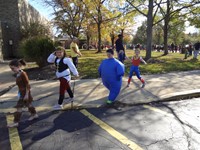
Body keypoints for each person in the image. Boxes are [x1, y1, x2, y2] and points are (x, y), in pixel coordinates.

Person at [7, 59, 38, 128]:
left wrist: (27, 95)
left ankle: (16, 122)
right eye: (11, 68)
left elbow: (27, 85)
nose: (12, 70)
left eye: (13, 68)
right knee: (29, 105)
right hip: (22, 93)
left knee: (19, 108)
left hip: (25, 94)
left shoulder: (23, 74)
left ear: (18, 66)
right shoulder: (18, 74)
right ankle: (34, 114)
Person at [47, 46, 79, 110]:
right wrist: (53, 53)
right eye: (57, 52)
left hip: (65, 77)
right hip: (60, 76)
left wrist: (76, 73)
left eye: (60, 52)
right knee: (67, 87)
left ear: (64, 52)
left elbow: (72, 66)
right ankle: (71, 97)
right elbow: (49, 60)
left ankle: (60, 104)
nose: (59, 54)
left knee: (62, 90)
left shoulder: (66, 59)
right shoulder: (56, 58)